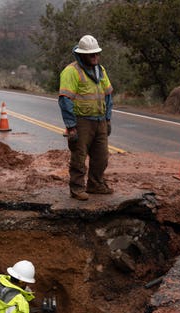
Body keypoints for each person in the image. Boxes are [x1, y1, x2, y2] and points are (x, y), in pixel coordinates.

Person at [58, 35, 114, 201]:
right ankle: (76, 188)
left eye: (97, 54)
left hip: (100, 120)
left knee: (102, 156)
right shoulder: (71, 71)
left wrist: (108, 118)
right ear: (82, 54)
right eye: (91, 55)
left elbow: (108, 95)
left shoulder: (100, 70)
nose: (95, 57)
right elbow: (65, 99)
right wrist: (71, 126)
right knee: (79, 157)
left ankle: (95, 184)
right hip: (81, 121)